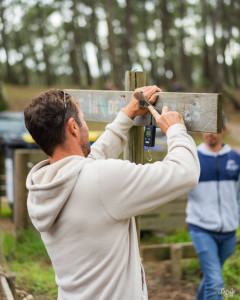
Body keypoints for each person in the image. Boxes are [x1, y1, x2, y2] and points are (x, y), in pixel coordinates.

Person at [24, 86, 200, 300]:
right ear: (73, 127)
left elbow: (87, 164)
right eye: (83, 120)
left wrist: (125, 116)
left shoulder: (42, 189)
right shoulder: (100, 180)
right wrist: (176, 131)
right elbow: (184, 172)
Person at [186, 114, 240, 300]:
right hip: (201, 228)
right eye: (206, 129)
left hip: (229, 232)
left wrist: (236, 219)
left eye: (214, 129)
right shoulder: (193, 158)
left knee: (212, 279)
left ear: (223, 130)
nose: (209, 134)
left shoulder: (235, 158)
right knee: (216, 283)